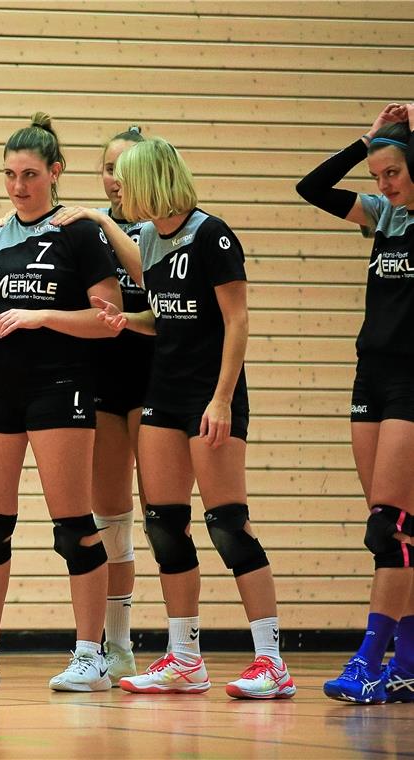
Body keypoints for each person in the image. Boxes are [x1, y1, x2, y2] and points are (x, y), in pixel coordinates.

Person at [92, 136, 295, 699]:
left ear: (153, 177)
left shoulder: (212, 234)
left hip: (212, 398)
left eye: (126, 178)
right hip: (165, 395)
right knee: (165, 527)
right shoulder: (155, 238)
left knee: (228, 524)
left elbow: (237, 320)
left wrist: (223, 398)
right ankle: (185, 659)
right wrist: (125, 321)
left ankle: (271, 661)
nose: (119, 188)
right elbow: (167, 318)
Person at [0, 113, 121, 693]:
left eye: (30, 175)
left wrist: (42, 316)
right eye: (10, 175)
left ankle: (92, 654)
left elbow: (109, 320)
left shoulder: (79, 233)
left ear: (56, 173)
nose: (18, 186)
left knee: (72, 526)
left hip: (58, 385)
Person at [296, 102, 414, 704]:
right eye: (377, 176)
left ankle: (370, 661)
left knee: (388, 529)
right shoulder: (383, 216)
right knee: (397, 529)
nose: (383, 186)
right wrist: (365, 141)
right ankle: (411, 662)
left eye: (392, 173)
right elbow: (311, 187)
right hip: (372, 375)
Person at [46, 126, 150, 681]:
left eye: (127, 168)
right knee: (112, 518)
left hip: (157, 374)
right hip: (102, 377)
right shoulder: (77, 227)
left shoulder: (163, 224)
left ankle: (185, 644)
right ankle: (118, 645)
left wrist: (104, 220)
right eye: (110, 168)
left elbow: (144, 274)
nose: (116, 179)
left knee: (167, 515)